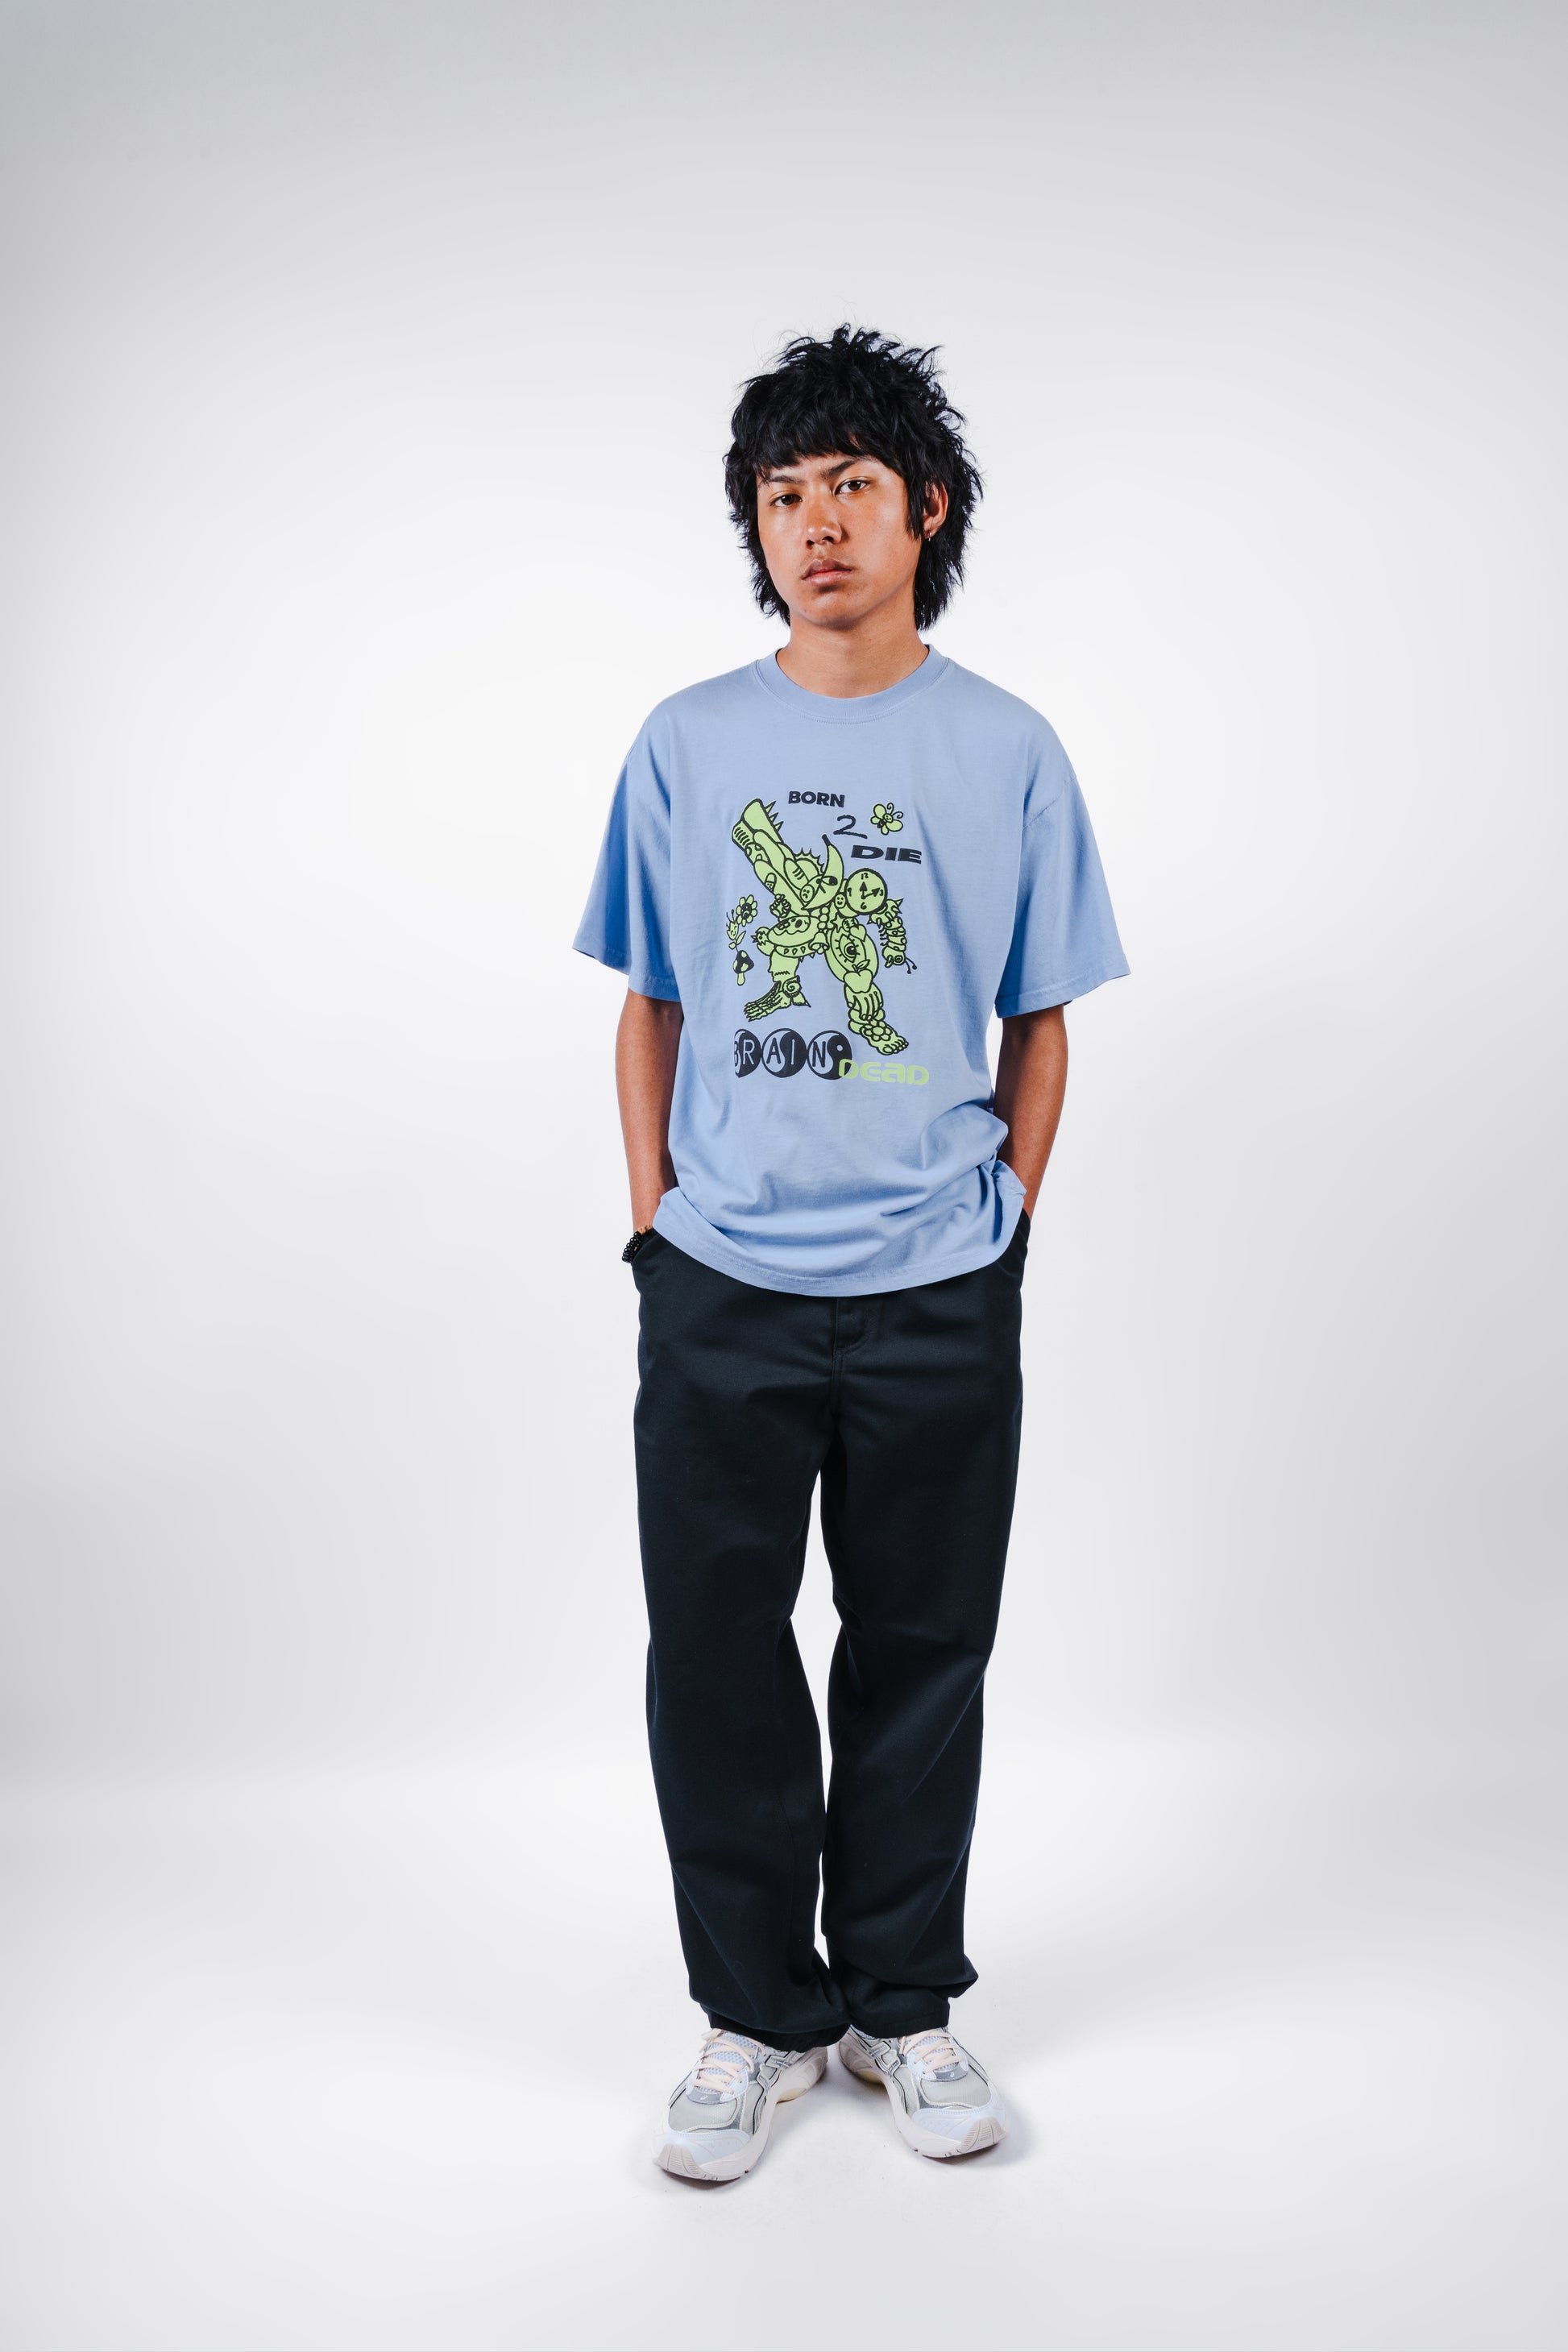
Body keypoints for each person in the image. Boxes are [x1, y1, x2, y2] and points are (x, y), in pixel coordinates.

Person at [573, 326, 1127, 2182]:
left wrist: (1002, 1228)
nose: (814, 522)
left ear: (926, 510)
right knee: (715, 1655)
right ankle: (756, 2015)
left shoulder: (1009, 747)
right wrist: (654, 1226)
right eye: (782, 492)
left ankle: (900, 2000)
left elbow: (1040, 1019)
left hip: (936, 1286)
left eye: (853, 486)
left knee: (922, 1650)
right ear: (755, 522)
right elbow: (650, 1002)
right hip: (722, 1285)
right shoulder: (687, 741)